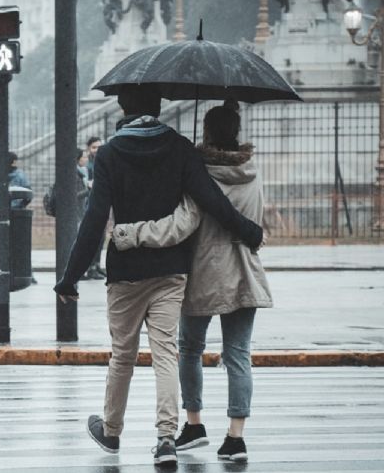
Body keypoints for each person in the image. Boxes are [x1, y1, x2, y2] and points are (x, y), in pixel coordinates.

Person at [53, 86, 263, 466]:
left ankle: (112, 432)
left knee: (123, 355)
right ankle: (167, 437)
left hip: (126, 272)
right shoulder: (181, 148)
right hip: (171, 269)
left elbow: (95, 218)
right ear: (160, 105)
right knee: (166, 352)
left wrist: (70, 277)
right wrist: (247, 229)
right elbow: (211, 200)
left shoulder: (111, 153)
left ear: (123, 107)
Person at [112, 105, 272, 463]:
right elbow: (256, 220)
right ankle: (235, 437)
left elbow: (184, 224)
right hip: (245, 271)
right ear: (237, 130)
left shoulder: (199, 173)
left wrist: (134, 234)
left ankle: (194, 423)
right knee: (238, 356)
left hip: (204, 270)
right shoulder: (252, 171)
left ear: (207, 130)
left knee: (188, 350)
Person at [85, 137, 107, 280]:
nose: (97, 150)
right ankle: (91, 267)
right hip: (90, 204)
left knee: (101, 237)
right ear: (88, 149)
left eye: (99, 147)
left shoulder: (104, 161)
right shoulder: (87, 165)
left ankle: (97, 265)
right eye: (94, 147)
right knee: (93, 237)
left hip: (102, 203)